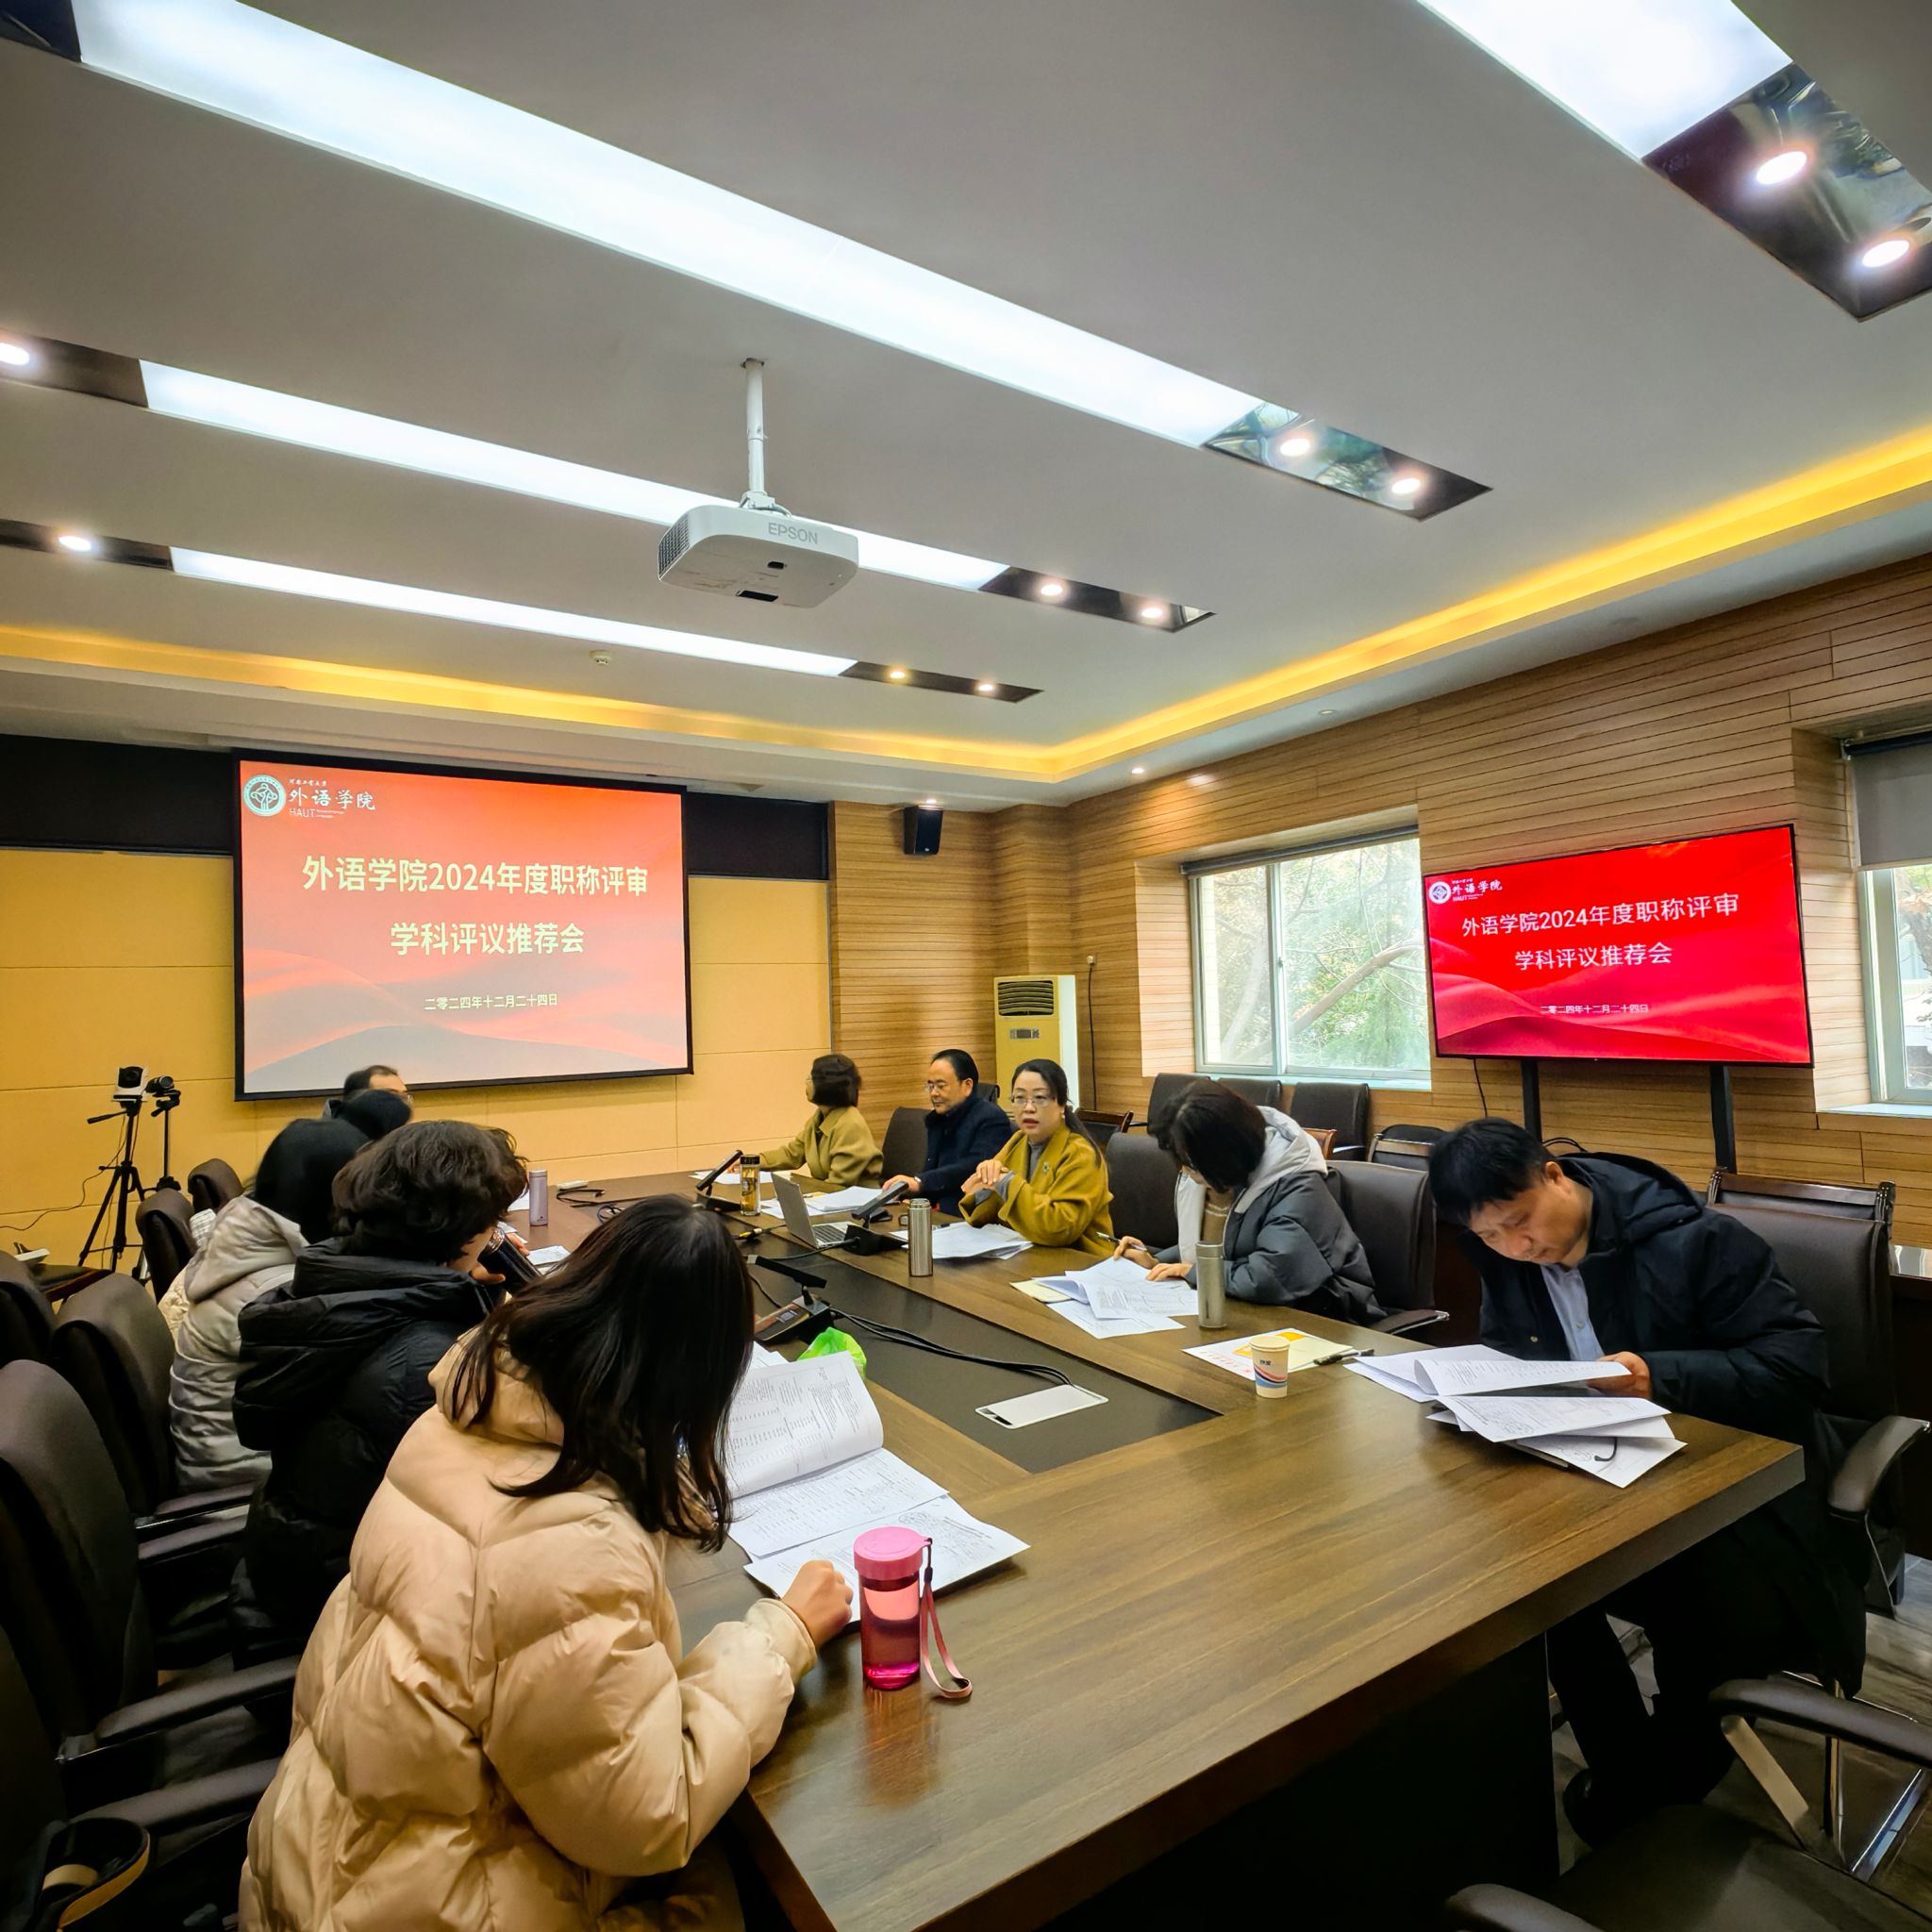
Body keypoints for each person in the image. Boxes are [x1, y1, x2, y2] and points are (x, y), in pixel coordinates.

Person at [239, 1197, 851, 1932]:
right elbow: (647, 1816)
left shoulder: (462, 1414)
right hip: (421, 1901)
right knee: (763, 1879)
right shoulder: (573, 1547)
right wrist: (781, 1636)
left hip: (328, 1855)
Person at [1427, 1117, 1867, 1844]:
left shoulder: (1698, 1241)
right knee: (1531, 1588)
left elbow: (1795, 1373)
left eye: (1520, 1221)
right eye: (1490, 1236)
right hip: (1601, 1474)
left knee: (1686, 1601)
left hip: (1733, 1491)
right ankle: (1633, 1775)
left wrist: (1658, 1377)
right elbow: (1510, 1355)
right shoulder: (1506, 1258)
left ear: (1554, 1175)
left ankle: (1670, 1781)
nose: (1516, 1247)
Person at [232, 1120, 526, 1648]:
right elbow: (496, 1510)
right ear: (467, 1230)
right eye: (494, 1221)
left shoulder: (331, 1288)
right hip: (354, 1617)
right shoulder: (428, 1364)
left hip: (296, 1559)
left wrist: (462, 1291)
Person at [166, 1118, 371, 1491]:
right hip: (247, 1493)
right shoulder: (275, 1289)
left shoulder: (254, 1240)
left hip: (249, 1467)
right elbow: (370, 1387)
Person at [1114, 1082, 1382, 1322]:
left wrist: (1193, 1272)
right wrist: (1156, 1261)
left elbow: (1271, 1276)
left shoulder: (1296, 1185)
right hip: (1249, 1309)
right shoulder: (1210, 1177)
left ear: (1225, 1155)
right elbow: (1222, 1247)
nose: (1185, 1171)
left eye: (1192, 1163)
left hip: (1326, 1315)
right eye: (1182, 1162)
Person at [962, 1058, 1114, 1255]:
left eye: (1040, 1098)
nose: (1028, 1108)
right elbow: (989, 1206)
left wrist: (1006, 1182)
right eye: (1019, 1098)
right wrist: (986, 1186)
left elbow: (1060, 1228)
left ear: (1061, 1105)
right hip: (1029, 1253)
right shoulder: (1018, 1140)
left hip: (1081, 1260)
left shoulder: (1080, 1153)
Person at [883, 1047, 1012, 1216]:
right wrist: (918, 1199)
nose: (934, 1093)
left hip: (968, 1213)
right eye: (930, 1086)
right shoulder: (939, 1119)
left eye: (941, 1086)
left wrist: (920, 1182)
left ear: (967, 1085)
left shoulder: (991, 1118)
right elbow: (932, 1170)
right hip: (938, 1213)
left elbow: (973, 1167)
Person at [752, 1052, 881, 1188]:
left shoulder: (850, 1125)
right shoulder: (818, 1119)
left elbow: (839, 1184)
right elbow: (792, 1155)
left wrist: (810, 1195)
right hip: (829, 1195)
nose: (807, 1081)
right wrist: (752, 1161)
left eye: (812, 1078)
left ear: (828, 1085)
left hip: (856, 1198)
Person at [321, 1062, 409, 1119]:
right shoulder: (331, 1138)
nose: (403, 1104)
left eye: (404, 1097)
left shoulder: (406, 1136)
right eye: (392, 1096)